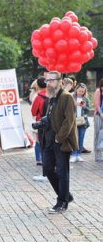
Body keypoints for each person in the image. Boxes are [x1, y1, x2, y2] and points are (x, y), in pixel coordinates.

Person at [42, 71, 77, 214]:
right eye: (47, 80)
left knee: (63, 173)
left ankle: (62, 202)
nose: (48, 83)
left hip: (61, 142)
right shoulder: (51, 97)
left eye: (51, 80)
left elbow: (69, 121)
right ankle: (66, 195)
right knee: (48, 169)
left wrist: (59, 138)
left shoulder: (66, 97)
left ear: (60, 81)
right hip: (48, 141)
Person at [70, 83, 90, 163]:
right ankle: (73, 155)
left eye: (82, 91)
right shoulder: (72, 97)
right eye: (79, 91)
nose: (81, 92)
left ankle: (79, 155)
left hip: (82, 122)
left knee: (81, 139)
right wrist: (74, 105)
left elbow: (88, 110)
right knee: (75, 139)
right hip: (74, 121)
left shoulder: (85, 99)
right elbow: (68, 108)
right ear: (76, 89)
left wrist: (84, 106)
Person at [31, 76, 47, 166]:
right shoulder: (53, 94)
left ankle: (39, 159)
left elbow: (33, 112)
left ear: (37, 85)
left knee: (39, 141)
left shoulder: (38, 97)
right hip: (52, 123)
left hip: (41, 123)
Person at [93, 79, 103, 162]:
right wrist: (101, 113)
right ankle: (97, 155)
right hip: (98, 116)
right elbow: (96, 104)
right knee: (98, 135)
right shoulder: (98, 91)